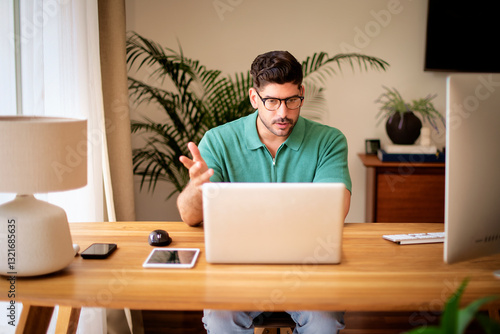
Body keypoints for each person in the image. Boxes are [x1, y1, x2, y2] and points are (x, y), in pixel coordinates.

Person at [177, 50, 351, 334]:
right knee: (221, 320)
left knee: (324, 321)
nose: (283, 112)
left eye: (292, 100)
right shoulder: (219, 140)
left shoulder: (329, 140)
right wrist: (196, 189)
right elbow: (189, 216)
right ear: (254, 98)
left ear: (302, 93)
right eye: (271, 101)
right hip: (237, 270)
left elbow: (335, 210)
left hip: (307, 268)